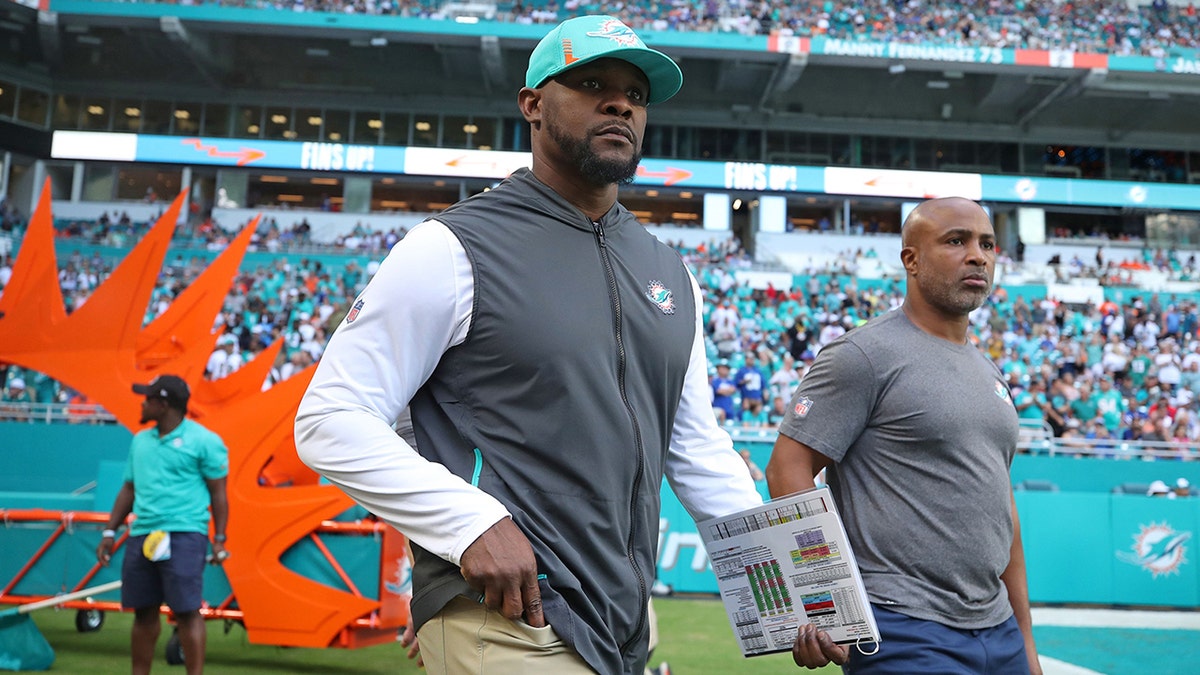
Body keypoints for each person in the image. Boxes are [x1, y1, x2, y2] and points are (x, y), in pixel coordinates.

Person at [294, 15, 762, 675]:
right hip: (509, 612)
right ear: (532, 105)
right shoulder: (452, 247)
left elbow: (700, 454)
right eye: (592, 82)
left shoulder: (672, 273)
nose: (620, 102)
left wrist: (790, 592)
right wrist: (466, 525)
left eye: (636, 92)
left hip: (622, 619)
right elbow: (330, 419)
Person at [765, 197, 1042, 674]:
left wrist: (1025, 641)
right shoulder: (863, 355)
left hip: (997, 629)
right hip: (902, 627)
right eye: (956, 241)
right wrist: (825, 601)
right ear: (910, 259)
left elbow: (1001, 505)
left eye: (987, 244)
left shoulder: (989, 370)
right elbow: (787, 469)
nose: (978, 255)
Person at [96, 375, 229, 675]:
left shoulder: (205, 441)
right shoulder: (140, 440)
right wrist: (109, 531)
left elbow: (219, 493)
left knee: (186, 612)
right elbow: (128, 489)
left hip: (185, 534)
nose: (142, 404)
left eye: (149, 398)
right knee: (143, 612)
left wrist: (219, 537)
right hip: (142, 534)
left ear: (163, 404)